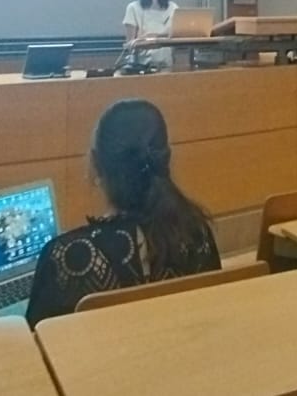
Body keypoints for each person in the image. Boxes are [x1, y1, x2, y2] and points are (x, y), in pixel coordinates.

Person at [24, 98, 219, 327]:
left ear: (96, 164)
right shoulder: (197, 235)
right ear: (166, 159)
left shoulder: (67, 257)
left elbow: (34, 341)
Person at [122, 0, 175, 68]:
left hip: (167, 65)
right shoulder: (133, 8)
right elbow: (130, 45)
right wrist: (145, 40)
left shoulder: (173, 8)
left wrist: (157, 36)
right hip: (142, 67)